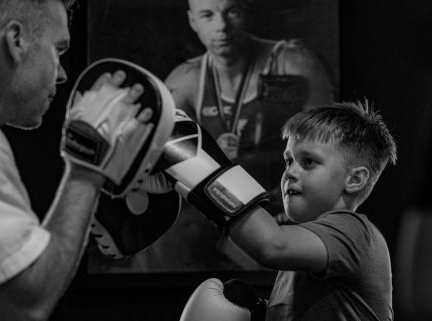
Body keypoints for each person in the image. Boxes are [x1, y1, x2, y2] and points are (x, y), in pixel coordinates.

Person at [0, 1, 156, 320]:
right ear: (17, 40)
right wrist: (86, 169)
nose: (63, 73)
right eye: (58, 50)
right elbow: (26, 303)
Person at [152, 101, 396, 319]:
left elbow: (271, 245)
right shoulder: (304, 258)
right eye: (288, 160)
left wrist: (192, 159)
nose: (290, 172)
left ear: (355, 180)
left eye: (309, 162)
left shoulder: (355, 232)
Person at [139, 0, 335, 271]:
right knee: (164, 246)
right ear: (193, 21)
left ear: (248, 13)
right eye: (207, 15)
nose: (222, 27)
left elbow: (331, 147)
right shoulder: (185, 79)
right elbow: (163, 161)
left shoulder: (292, 62)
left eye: (232, 12)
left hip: (286, 200)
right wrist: (210, 158)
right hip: (219, 206)